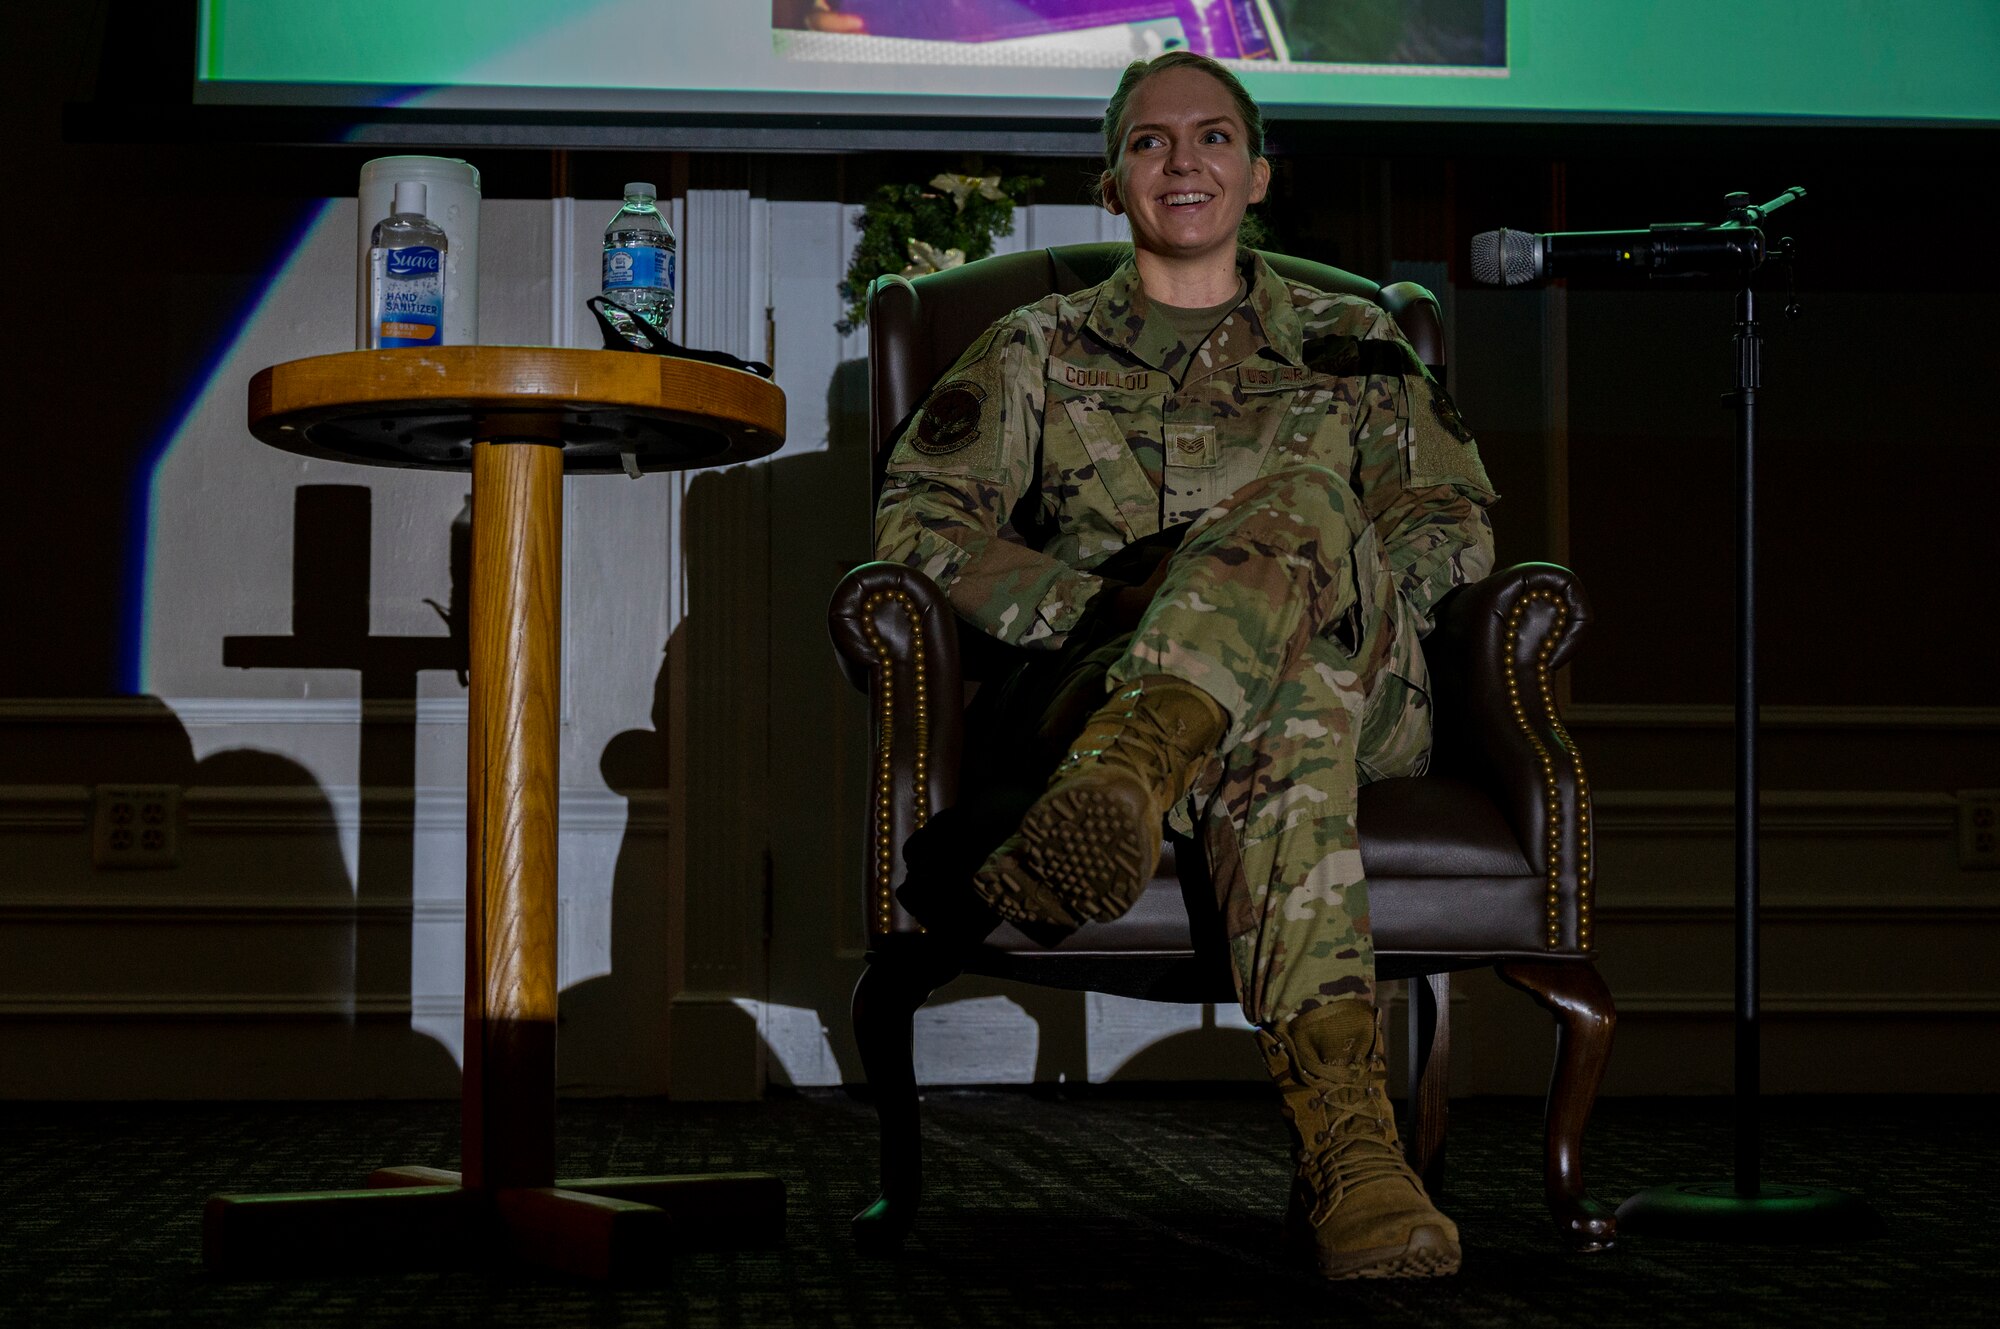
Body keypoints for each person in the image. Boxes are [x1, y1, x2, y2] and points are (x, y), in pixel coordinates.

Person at [872, 50, 1496, 1280]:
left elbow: (1450, 527)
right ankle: (1354, 1161)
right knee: (1285, 718)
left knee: (1308, 509)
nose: (1181, 162)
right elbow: (917, 529)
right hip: (1120, 677)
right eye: (1149, 143)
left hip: (1364, 680)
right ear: (1111, 184)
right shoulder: (1032, 348)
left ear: (1256, 174)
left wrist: (1309, 594)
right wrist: (1108, 607)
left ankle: (1135, 765)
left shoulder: (1352, 340)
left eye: (1210, 137)